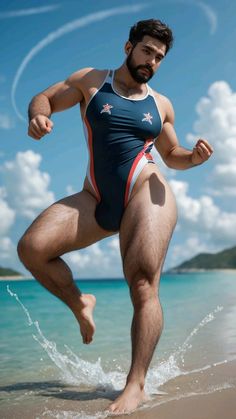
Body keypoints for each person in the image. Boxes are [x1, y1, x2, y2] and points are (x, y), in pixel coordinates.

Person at [17, 19, 213, 414]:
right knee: (32, 248)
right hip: (97, 198)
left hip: (146, 190)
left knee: (143, 283)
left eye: (159, 57)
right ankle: (79, 302)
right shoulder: (91, 81)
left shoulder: (161, 105)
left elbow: (171, 154)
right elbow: (45, 97)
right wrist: (38, 116)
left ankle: (136, 384)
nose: (152, 61)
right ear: (128, 47)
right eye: (147, 51)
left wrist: (192, 157)